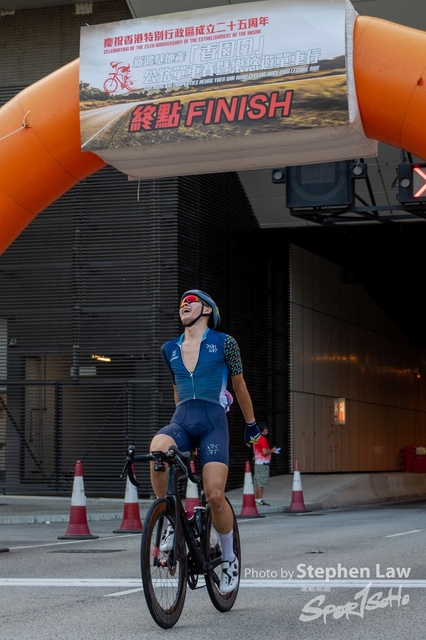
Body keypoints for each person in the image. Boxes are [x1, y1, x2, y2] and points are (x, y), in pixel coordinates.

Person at [149, 289, 261, 594]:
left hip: (213, 423)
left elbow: (239, 386)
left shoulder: (226, 343)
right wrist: (181, 435)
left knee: (214, 495)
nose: (183, 305)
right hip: (183, 420)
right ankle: (170, 519)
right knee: (157, 450)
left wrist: (251, 425)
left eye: (191, 301)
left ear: (208, 310)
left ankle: (229, 558)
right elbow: (177, 390)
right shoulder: (169, 348)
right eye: (181, 302)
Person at [253, 422, 279, 506]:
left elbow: (254, 451)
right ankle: (259, 500)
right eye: (266, 429)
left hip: (257, 463)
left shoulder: (255, 439)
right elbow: (264, 452)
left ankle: (256, 499)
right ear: (263, 430)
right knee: (261, 482)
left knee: (257, 482)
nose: (267, 430)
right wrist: (272, 450)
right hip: (263, 463)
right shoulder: (263, 439)